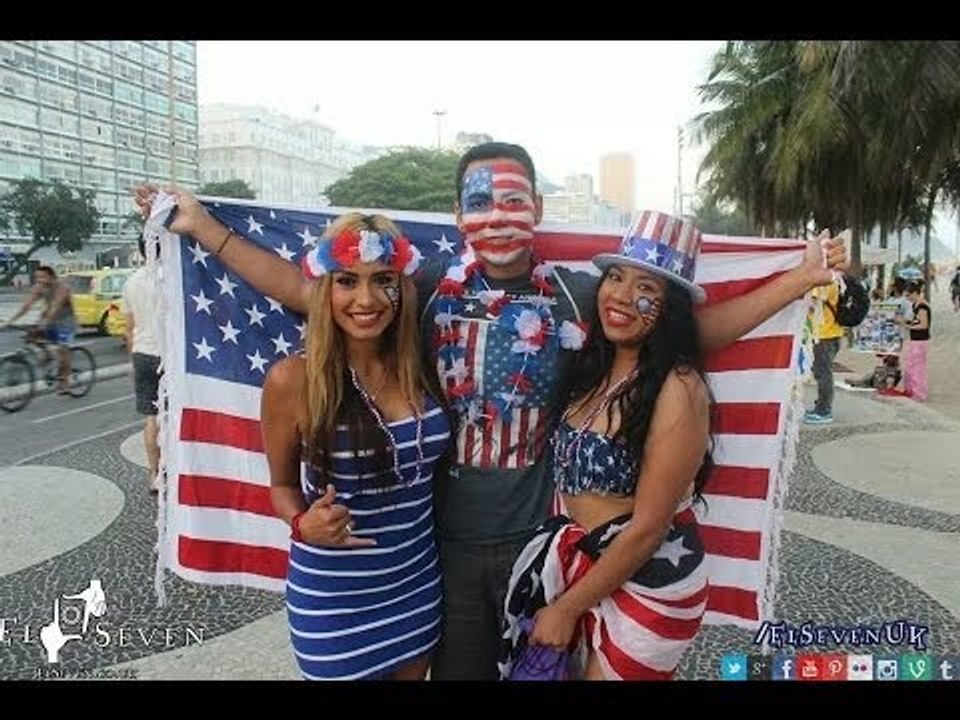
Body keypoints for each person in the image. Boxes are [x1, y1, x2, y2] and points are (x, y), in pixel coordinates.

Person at [133, 141, 847, 679]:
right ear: (457, 216)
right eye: (481, 202)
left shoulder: (574, 295)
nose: (499, 218)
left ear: (537, 208)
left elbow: (690, 334)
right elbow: (306, 289)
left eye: (514, 201)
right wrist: (203, 228)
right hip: (444, 545)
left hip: (549, 544)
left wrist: (800, 280)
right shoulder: (424, 289)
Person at [498, 211, 711, 681]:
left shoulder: (678, 387)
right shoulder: (592, 366)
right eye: (615, 277)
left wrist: (566, 609)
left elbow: (649, 528)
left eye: (647, 289)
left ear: (670, 309)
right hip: (585, 568)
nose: (621, 295)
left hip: (651, 583)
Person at [259, 212, 452, 680]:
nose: (366, 299)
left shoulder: (424, 368)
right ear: (326, 289)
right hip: (335, 603)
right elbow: (282, 486)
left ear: (401, 288)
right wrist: (303, 523)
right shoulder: (293, 380)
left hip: (415, 586)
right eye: (347, 281)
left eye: (383, 280)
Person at [123, 239, 162, 493]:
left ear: (140, 250)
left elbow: (129, 327)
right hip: (168, 355)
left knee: (151, 417)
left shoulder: (131, 282)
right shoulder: (171, 279)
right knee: (173, 417)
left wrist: (132, 359)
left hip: (142, 353)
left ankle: (154, 474)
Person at [1, 265, 76, 393]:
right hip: (47, 318)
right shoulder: (39, 287)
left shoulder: (62, 288)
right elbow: (26, 306)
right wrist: (9, 322)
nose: (39, 280)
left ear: (52, 277)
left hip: (65, 321)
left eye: (43, 277)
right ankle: (48, 356)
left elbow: (56, 306)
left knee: (63, 350)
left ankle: (65, 380)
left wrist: (45, 323)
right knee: (33, 337)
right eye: (37, 278)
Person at [804, 278, 843, 424]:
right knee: (824, 372)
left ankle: (824, 410)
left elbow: (811, 305)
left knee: (823, 374)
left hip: (824, 334)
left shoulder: (823, 282)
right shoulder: (835, 280)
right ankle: (821, 405)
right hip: (833, 332)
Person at [903, 280, 931, 401]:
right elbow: (916, 322)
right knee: (911, 365)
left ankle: (919, 393)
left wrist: (908, 326)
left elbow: (924, 325)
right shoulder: (915, 306)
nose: (907, 298)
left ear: (915, 293)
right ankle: (911, 390)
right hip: (914, 339)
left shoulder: (922, 306)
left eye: (908, 295)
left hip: (921, 341)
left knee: (918, 368)